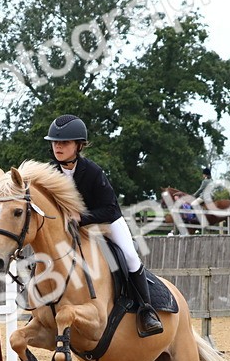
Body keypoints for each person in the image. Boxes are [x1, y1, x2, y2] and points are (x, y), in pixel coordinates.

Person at [45, 114, 163, 337]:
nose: (58, 146)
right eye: (55, 142)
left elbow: (109, 209)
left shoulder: (92, 172)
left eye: (64, 142)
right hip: (70, 227)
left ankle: (146, 310)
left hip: (105, 222)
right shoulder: (49, 172)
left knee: (129, 256)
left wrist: (81, 218)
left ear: (78, 146)